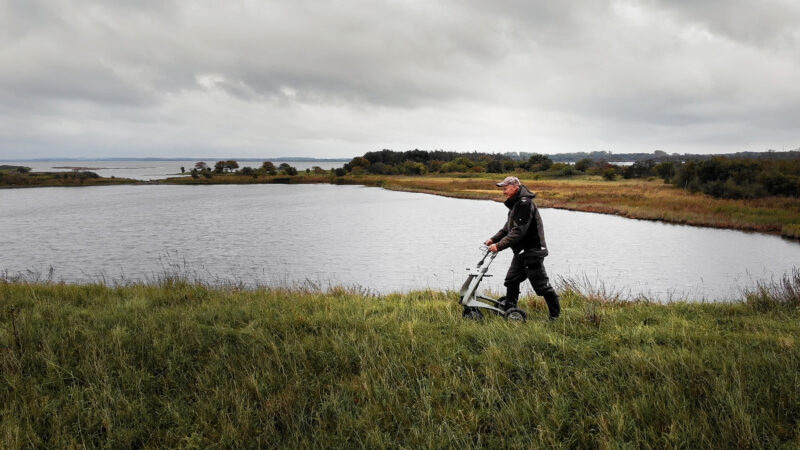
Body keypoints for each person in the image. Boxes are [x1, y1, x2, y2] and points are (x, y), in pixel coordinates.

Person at [484, 176, 561, 320]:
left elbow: (518, 231)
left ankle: (555, 317)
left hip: (533, 251)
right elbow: (507, 228)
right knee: (511, 280)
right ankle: (510, 310)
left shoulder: (525, 203)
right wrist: (493, 239)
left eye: (505, 188)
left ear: (516, 187)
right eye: (503, 189)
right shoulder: (516, 204)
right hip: (521, 252)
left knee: (541, 286)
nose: (503, 192)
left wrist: (499, 246)